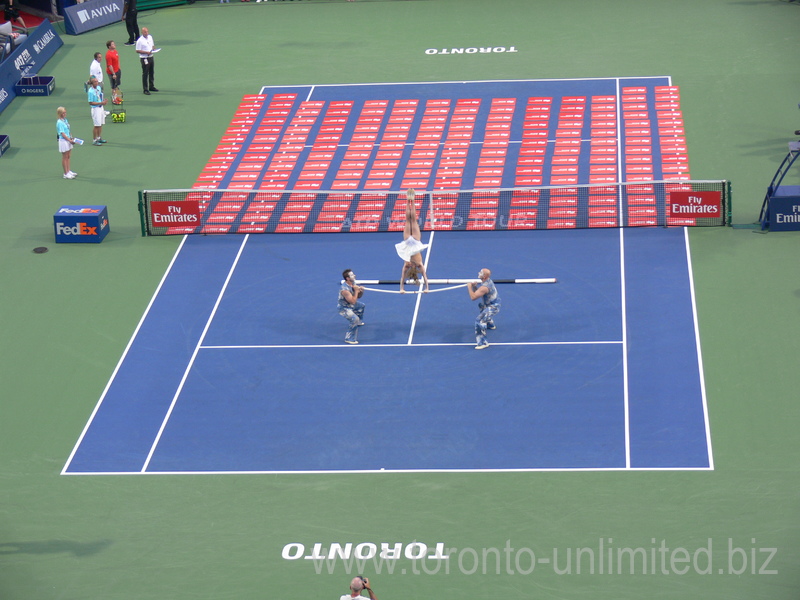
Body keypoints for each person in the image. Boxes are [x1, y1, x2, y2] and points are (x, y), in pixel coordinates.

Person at [395, 189, 429, 293]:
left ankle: (409, 200)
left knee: (410, 220)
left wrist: (402, 288)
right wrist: (427, 288)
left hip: (410, 242)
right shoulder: (418, 265)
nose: (411, 265)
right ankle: (411, 200)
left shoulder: (408, 265)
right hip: (414, 241)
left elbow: (402, 279)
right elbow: (425, 277)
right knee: (411, 220)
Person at [467, 268, 500, 350]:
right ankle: (490, 324)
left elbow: (473, 297)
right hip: (489, 304)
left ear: (484, 276)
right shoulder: (487, 281)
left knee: (479, 320)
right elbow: (479, 293)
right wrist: (474, 287)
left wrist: (469, 287)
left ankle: (483, 342)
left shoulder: (485, 287)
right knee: (481, 305)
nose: (479, 273)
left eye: (481, 272)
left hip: (493, 307)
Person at [338, 269, 365, 345]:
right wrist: (356, 291)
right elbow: (353, 301)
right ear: (347, 278)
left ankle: (359, 322)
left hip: (351, 304)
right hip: (344, 308)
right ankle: (349, 338)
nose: (354, 275)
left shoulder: (353, 283)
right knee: (354, 319)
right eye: (352, 275)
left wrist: (361, 291)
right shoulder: (344, 289)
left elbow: (358, 297)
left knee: (361, 306)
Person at [56, 106, 78, 179]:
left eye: (65, 112)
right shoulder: (59, 122)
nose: (65, 114)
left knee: (68, 156)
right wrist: (69, 140)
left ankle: (69, 171)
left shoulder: (65, 120)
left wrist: (71, 137)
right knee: (65, 157)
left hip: (68, 139)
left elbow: (68, 130)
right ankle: (65, 173)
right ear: (60, 113)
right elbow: (62, 133)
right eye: (63, 113)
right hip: (63, 141)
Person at [135, 27, 159, 95]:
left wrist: (154, 49)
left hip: (151, 57)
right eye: (145, 32)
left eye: (147, 31)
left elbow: (152, 45)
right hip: (144, 58)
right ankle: (145, 89)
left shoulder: (150, 37)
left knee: (151, 72)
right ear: (142, 32)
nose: (147, 33)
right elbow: (137, 50)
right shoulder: (139, 40)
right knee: (145, 73)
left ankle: (151, 86)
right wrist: (146, 52)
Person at [87, 77, 107, 146]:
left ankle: (99, 138)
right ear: (92, 83)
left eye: (97, 81)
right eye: (95, 82)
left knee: (100, 124)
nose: (97, 82)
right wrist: (100, 103)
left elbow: (100, 96)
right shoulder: (90, 91)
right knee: (96, 125)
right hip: (95, 109)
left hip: (101, 108)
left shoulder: (98, 88)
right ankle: (94, 140)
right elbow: (90, 102)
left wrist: (103, 101)